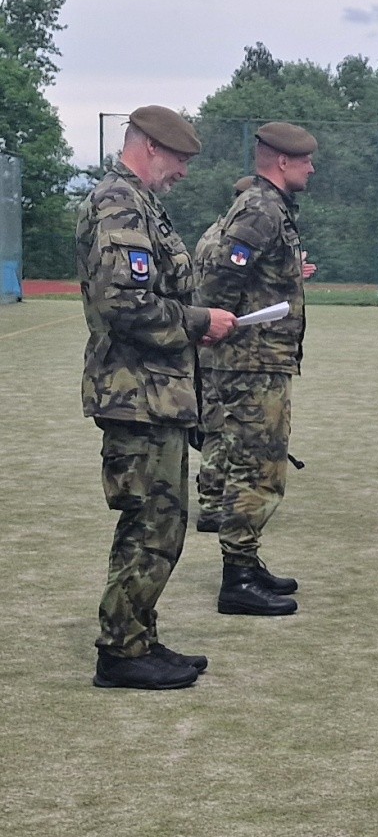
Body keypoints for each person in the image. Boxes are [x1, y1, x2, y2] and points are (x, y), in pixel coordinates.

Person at [76, 106, 236, 689]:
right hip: (136, 393)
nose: (184, 172)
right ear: (148, 146)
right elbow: (125, 304)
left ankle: (136, 637)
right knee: (150, 524)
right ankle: (121, 651)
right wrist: (199, 321)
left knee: (160, 525)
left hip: (156, 393)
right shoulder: (118, 204)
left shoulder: (140, 204)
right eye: (179, 159)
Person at [194, 121, 317, 618]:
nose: (312, 168)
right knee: (257, 467)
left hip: (263, 358)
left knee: (259, 461)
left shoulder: (272, 207)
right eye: (305, 160)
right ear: (282, 162)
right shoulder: (261, 208)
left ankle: (246, 562)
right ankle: (237, 579)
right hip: (250, 360)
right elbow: (221, 276)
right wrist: (215, 323)